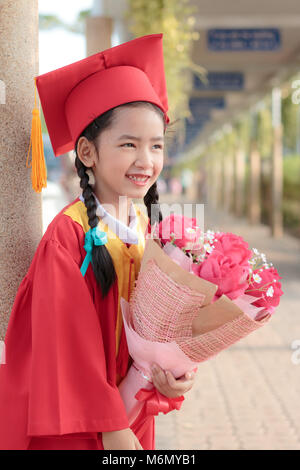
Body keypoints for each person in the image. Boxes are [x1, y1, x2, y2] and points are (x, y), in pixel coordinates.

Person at [0, 34, 195, 450]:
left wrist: (172, 377)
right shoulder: (68, 237)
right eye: (129, 144)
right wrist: (113, 431)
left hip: (134, 421)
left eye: (156, 146)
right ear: (87, 152)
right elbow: (69, 351)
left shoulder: (149, 232)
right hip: (82, 430)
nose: (146, 161)